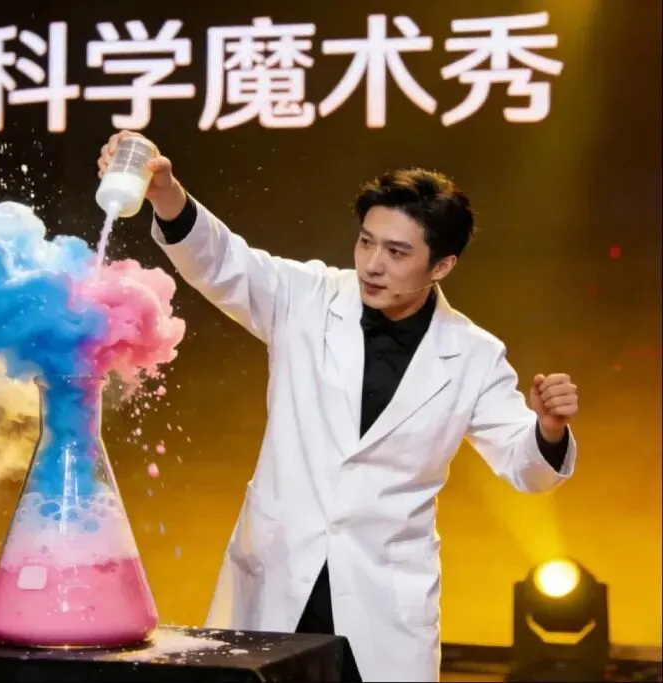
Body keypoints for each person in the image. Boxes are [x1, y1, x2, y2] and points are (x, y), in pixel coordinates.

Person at [96, 131, 580, 682]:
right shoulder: (307, 296)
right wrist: (165, 193)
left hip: (382, 602)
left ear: (442, 266)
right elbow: (224, 263)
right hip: (276, 574)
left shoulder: (473, 354)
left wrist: (548, 428)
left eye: (397, 252)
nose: (373, 264)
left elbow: (526, 468)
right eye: (366, 242)